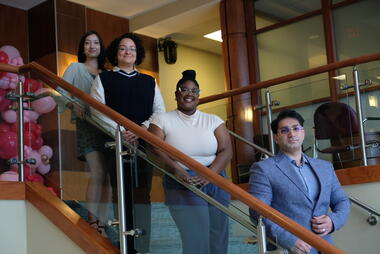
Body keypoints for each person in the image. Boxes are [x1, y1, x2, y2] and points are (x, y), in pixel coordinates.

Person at [90, 32, 165, 253]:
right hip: (115, 143)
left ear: (137, 54)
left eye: (132, 48)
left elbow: (159, 112)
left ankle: (143, 246)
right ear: (115, 53)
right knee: (120, 191)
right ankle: (125, 245)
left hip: (143, 144)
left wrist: (141, 129)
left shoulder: (149, 81)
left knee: (143, 194)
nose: (128, 52)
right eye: (123, 48)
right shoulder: (103, 79)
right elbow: (96, 109)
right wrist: (122, 131)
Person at [148, 70, 232, 254]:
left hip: (215, 177)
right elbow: (154, 146)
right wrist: (177, 169)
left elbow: (226, 150)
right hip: (183, 180)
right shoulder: (162, 119)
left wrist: (210, 175)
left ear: (199, 95)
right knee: (197, 239)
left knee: (218, 236)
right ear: (176, 94)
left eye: (194, 91)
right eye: (184, 90)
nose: (189, 94)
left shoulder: (213, 120)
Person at [249, 110, 351, 254]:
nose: (292, 134)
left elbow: (342, 201)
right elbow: (258, 212)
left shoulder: (325, 167)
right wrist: (289, 240)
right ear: (276, 138)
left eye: (296, 128)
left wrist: (332, 221)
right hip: (288, 249)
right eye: (284, 131)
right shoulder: (263, 169)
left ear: (303, 133)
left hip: (325, 246)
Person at [61, 31, 109, 234]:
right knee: (97, 172)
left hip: (106, 128)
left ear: (101, 47)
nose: (92, 46)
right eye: (87, 43)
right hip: (87, 126)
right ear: (82, 48)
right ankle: (92, 221)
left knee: (107, 176)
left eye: (96, 43)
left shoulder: (107, 73)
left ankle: (104, 221)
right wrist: (72, 103)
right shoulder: (75, 68)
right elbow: (59, 91)